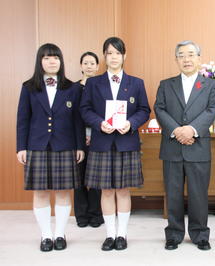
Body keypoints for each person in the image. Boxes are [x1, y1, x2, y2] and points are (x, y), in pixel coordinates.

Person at [80, 37, 150, 251]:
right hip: (102, 142)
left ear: (124, 56)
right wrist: (99, 123)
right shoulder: (93, 83)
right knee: (106, 191)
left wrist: (130, 123)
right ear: (104, 56)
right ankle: (110, 234)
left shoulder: (136, 83)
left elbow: (144, 110)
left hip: (126, 142)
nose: (113, 57)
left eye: (117, 53)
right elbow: (85, 110)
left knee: (122, 190)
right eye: (109, 53)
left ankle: (122, 234)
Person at [16, 43, 85, 252]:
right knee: (41, 192)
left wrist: (80, 146)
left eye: (55, 57)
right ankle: (46, 235)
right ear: (40, 61)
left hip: (65, 146)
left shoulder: (73, 88)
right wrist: (21, 147)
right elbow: (23, 119)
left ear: (61, 61)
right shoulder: (28, 87)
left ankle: (60, 234)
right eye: (47, 58)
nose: (52, 61)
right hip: (36, 146)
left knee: (64, 192)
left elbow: (78, 120)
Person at [154, 40, 215, 251]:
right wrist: (177, 131)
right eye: (181, 55)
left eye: (191, 54)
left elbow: (212, 109)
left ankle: (200, 234)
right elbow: (160, 109)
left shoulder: (211, 85)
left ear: (199, 59)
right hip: (172, 147)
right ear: (176, 60)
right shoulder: (166, 84)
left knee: (199, 194)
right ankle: (173, 234)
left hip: (198, 147)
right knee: (173, 193)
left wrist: (191, 130)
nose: (186, 59)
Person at [73, 52, 104, 228]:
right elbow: (71, 115)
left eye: (93, 63)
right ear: (80, 66)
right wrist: (80, 135)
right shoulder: (72, 88)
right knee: (78, 178)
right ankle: (81, 216)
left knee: (96, 179)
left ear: (98, 66)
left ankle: (95, 214)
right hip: (77, 138)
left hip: (98, 136)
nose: (89, 66)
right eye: (86, 63)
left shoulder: (101, 86)